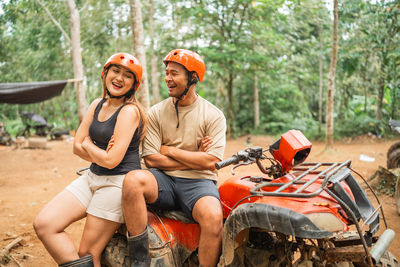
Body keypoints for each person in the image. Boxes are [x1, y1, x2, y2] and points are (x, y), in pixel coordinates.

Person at [33, 52, 146, 267]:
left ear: (134, 84)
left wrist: (88, 145)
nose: (119, 78)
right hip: (92, 176)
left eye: (128, 76)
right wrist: (94, 150)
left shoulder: (129, 111)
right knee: (44, 224)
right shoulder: (97, 104)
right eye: (115, 71)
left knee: (88, 252)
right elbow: (77, 146)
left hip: (117, 184)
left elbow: (112, 161)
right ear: (105, 74)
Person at [122, 49, 226, 267]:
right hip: (163, 180)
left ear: (193, 77)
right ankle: (139, 262)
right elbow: (151, 159)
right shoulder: (156, 112)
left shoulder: (213, 115)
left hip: (199, 182)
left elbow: (211, 162)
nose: (167, 78)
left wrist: (170, 151)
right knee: (132, 181)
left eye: (174, 73)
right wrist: (196, 156)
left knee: (214, 217)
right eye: (166, 73)